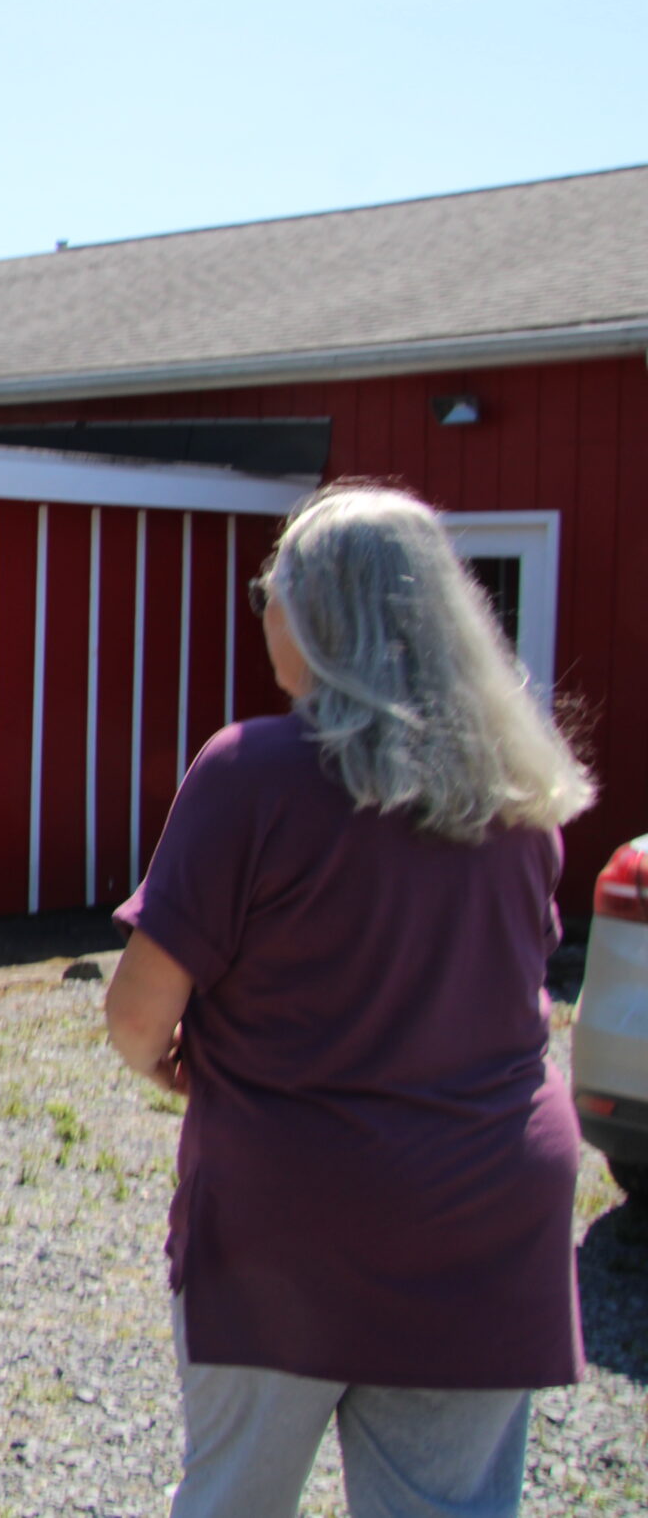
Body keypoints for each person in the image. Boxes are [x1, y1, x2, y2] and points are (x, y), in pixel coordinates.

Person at [102, 481, 596, 1518]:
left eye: (269, 593)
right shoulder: (520, 789)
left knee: (234, 1498)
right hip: (488, 1211)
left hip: (291, 1220)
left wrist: (176, 1066)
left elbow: (140, 1014)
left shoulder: (250, 772)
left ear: (322, 616)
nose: (263, 615)